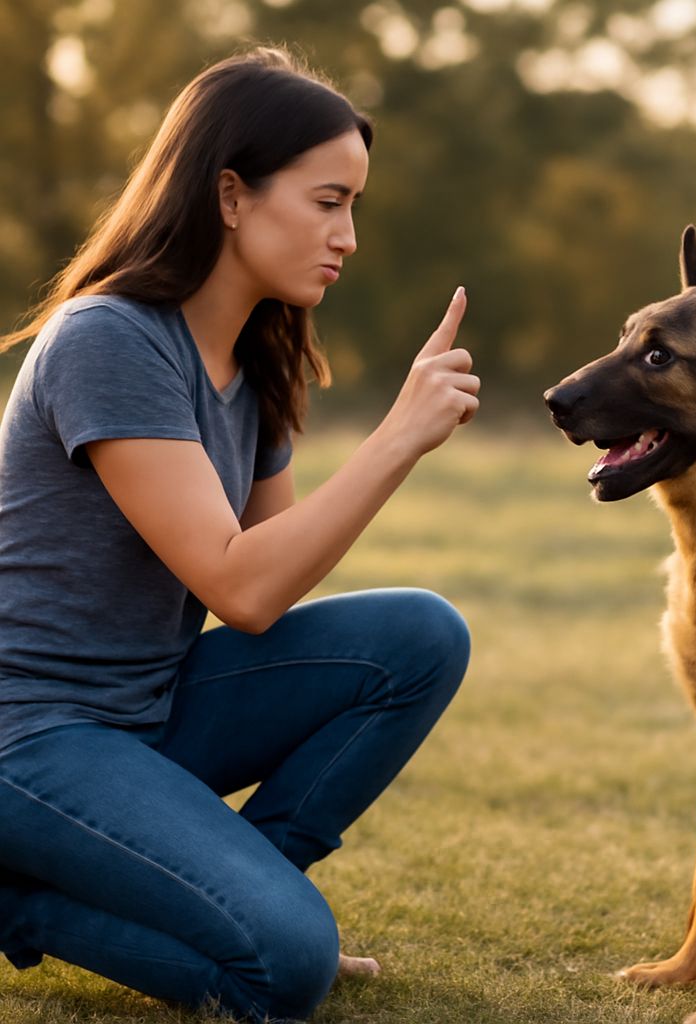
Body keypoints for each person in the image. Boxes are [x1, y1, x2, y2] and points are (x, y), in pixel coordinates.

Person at [0, 46, 479, 1022]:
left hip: (146, 711)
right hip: (31, 735)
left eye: (355, 208)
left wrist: (390, 443)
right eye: (326, 201)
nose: (347, 236)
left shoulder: (260, 358)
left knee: (421, 635)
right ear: (229, 195)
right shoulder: (109, 338)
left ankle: (258, 896)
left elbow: (275, 579)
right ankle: (22, 901)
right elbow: (240, 588)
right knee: (285, 970)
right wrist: (398, 439)